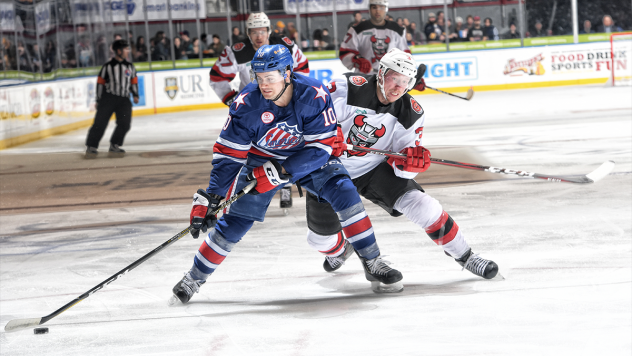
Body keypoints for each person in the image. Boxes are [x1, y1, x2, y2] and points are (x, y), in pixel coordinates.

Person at [170, 44, 404, 303]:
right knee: (234, 222)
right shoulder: (246, 104)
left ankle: (373, 262)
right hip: (260, 159)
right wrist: (213, 196)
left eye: (270, 78)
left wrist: (282, 170)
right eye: (259, 78)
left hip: (307, 157)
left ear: (288, 73)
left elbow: (321, 147)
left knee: (344, 191)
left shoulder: (314, 94)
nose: (264, 84)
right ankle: (193, 278)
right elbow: (228, 155)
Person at [303, 48, 499, 288]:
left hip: (372, 169)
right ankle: (342, 248)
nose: (398, 87)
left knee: (424, 206)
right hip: (328, 167)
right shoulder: (346, 88)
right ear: (381, 73)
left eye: (405, 82)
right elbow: (307, 118)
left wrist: (410, 164)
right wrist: (323, 138)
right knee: (319, 240)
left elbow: (402, 166)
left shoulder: (412, 112)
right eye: (394, 79)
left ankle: (466, 256)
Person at [209, 12, 309, 107]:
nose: (259, 36)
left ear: (269, 31)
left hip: (282, 103)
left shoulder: (284, 46)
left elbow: (302, 66)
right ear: (248, 33)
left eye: (262, 31)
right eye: (254, 32)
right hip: (252, 106)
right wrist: (231, 99)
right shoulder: (237, 52)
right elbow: (217, 77)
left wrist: (295, 91)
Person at [85, 40, 139, 159]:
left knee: (125, 124)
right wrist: (98, 99)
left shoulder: (130, 67)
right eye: (125, 49)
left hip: (124, 100)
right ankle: (91, 146)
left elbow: (133, 81)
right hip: (108, 99)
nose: (128, 51)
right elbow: (100, 83)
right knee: (100, 123)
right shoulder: (108, 67)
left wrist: (135, 94)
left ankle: (115, 145)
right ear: (118, 51)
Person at [339, 0, 410, 75]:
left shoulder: (397, 29)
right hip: (364, 78)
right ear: (369, 9)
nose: (377, 11)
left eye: (381, 7)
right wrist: (357, 60)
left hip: (390, 79)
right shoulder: (357, 29)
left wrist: (411, 75)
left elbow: (405, 56)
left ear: (386, 9)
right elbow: (344, 53)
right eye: (374, 7)